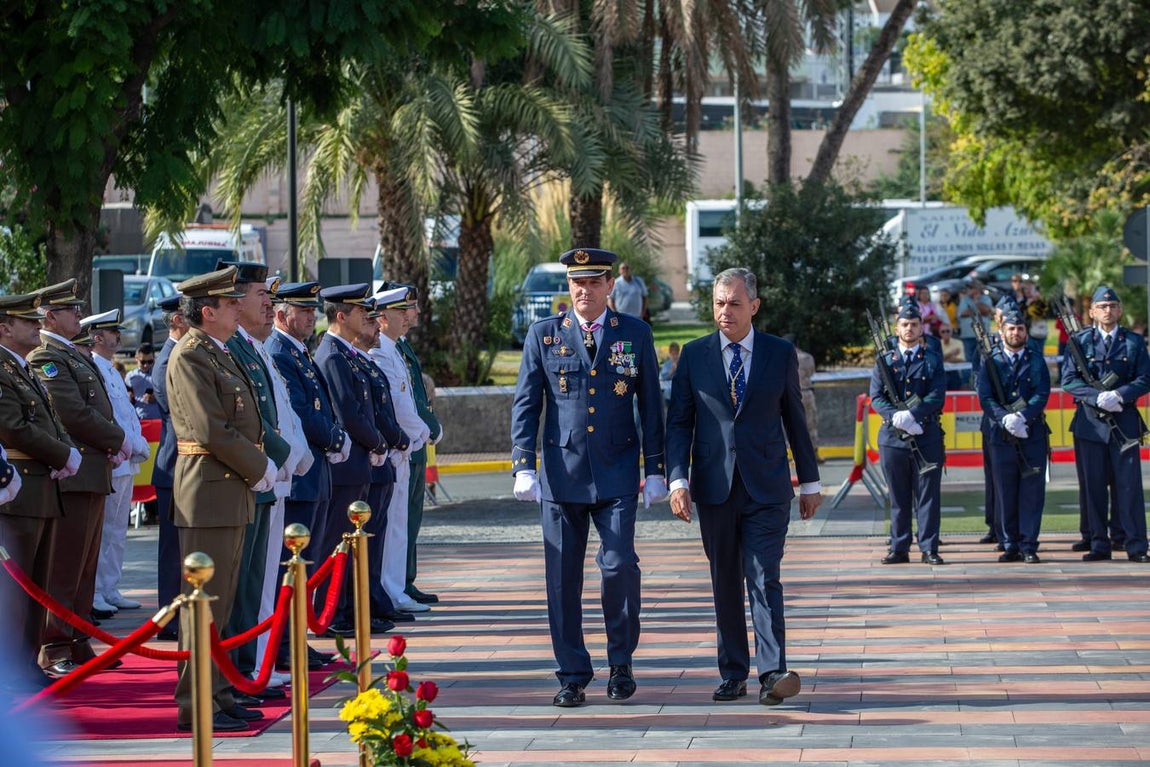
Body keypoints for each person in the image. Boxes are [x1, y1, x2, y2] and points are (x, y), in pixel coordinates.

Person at [510, 247, 667, 708]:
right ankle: (573, 673)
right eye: (577, 283)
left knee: (619, 566)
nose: (584, 290)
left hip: (617, 472)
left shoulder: (634, 333)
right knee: (561, 579)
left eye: (593, 282)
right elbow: (527, 403)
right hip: (562, 475)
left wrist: (655, 468)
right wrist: (523, 463)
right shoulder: (544, 335)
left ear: (609, 286)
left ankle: (621, 662)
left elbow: (651, 405)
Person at [665, 268, 820, 707]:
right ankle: (733, 672)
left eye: (734, 303)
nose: (724, 311)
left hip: (767, 488)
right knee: (725, 581)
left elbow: (794, 418)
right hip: (714, 488)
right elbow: (679, 422)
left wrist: (809, 482)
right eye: (718, 303)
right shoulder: (694, 356)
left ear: (754, 305)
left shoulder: (778, 353)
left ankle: (772, 673)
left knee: (764, 575)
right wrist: (678, 478)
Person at [166, 265, 275, 732]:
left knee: (223, 604)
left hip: (228, 488)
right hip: (209, 490)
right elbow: (212, 429)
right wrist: (260, 467)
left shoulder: (218, 352)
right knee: (203, 606)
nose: (238, 308)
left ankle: (221, 692)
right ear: (207, 312)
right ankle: (197, 704)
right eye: (230, 304)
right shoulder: (191, 356)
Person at [29, 278, 128, 676]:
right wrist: (117, 436)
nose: (78, 315)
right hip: (75, 472)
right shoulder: (45, 356)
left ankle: (76, 636)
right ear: (51, 316)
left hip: (93, 469)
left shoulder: (73, 353)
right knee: (65, 566)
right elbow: (71, 412)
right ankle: (54, 645)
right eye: (71, 310)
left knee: (85, 566)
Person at [266, 282, 350, 663]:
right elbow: (301, 412)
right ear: (283, 315)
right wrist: (334, 437)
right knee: (292, 565)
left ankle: (295, 638)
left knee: (309, 562)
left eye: (312, 310)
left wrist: (334, 437)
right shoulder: (280, 352)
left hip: (316, 471)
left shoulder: (297, 351)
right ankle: (283, 645)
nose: (311, 316)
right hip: (301, 476)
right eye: (303, 311)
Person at [218, 261, 292, 692]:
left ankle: (252, 664)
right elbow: (243, 423)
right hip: (248, 476)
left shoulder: (250, 348)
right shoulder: (235, 349)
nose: (269, 304)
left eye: (269, 296)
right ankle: (245, 668)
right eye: (260, 295)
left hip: (264, 475)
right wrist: (276, 458)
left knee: (255, 583)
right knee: (243, 586)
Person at [314, 284, 404, 634]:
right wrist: (379, 443)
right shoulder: (333, 355)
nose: (368, 318)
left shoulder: (347, 354)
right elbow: (348, 413)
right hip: (349, 462)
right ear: (341, 316)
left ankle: (350, 609)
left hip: (361, 461)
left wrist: (381, 443)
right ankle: (331, 614)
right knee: (336, 544)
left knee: (354, 545)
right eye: (360, 312)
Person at [0, 292, 77, 689]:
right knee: (17, 590)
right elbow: (13, 426)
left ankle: (28, 663)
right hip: (19, 491)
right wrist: (62, 451)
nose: (36, 326)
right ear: (4, 328)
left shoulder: (22, 368)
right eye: (26, 321)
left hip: (41, 486)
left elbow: (49, 419)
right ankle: (12, 671)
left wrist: (65, 450)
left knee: (37, 588)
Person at [1061, 286, 1150, 563]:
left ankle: (1136, 545)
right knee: (1094, 486)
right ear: (1092, 312)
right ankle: (1099, 544)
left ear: (1120, 310)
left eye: (1112, 306)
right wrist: (1097, 396)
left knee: (1129, 486)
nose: (1107, 311)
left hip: (1123, 423)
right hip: (1090, 424)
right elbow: (1069, 380)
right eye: (1102, 306)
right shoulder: (1079, 342)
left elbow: (1145, 378)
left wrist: (1120, 395)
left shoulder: (1134, 342)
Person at [368, 287, 431, 616]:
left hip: (404, 448)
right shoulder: (381, 351)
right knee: (391, 525)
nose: (408, 314)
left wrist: (420, 432)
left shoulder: (393, 350)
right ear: (382, 317)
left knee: (398, 524)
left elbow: (410, 398)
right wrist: (419, 433)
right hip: (395, 448)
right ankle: (392, 590)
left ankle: (396, 588)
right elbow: (398, 406)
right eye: (400, 310)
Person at [83, 310, 151, 616]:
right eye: (112, 332)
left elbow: (125, 412)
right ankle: (95, 590)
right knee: (104, 528)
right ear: (97, 336)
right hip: (113, 457)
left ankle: (109, 586)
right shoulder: (93, 367)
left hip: (125, 459)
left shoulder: (110, 369)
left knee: (117, 529)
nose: (117, 337)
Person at [870, 303, 947, 566]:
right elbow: (876, 397)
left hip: (926, 435)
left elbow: (937, 395)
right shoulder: (884, 361)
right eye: (905, 324)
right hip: (892, 438)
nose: (910, 328)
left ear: (921, 327)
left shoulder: (932, 360)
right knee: (898, 496)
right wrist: (895, 417)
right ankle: (899, 547)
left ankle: (929, 547)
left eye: (914, 324)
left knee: (927, 496)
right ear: (897, 328)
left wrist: (914, 415)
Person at [976, 309, 1049, 563]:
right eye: (1010, 328)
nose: (1015, 333)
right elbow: (985, 396)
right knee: (1005, 491)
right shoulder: (990, 360)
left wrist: (1023, 417)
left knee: (1031, 491)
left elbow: (1041, 393)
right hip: (1001, 434)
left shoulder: (1036, 360)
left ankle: (1028, 544)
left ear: (1025, 332)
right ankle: (1010, 544)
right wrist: (1004, 418)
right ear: (1002, 331)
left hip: (1032, 433)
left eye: (1019, 329)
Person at [396, 284, 443, 605]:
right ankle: (398, 581)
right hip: (404, 445)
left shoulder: (402, 347)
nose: (416, 313)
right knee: (401, 523)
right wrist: (427, 428)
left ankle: (406, 579)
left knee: (412, 519)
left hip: (416, 444)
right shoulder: (387, 349)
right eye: (410, 307)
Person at [152, 293, 186, 640]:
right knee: (172, 551)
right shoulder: (167, 361)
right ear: (176, 321)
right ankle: (168, 619)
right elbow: (179, 413)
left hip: (181, 467)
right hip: (174, 466)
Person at [957, 280, 993, 376]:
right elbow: (962, 313)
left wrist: (976, 301)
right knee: (968, 359)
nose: (970, 290)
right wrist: (977, 310)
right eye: (969, 288)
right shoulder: (964, 299)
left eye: (972, 288)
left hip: (982, 335)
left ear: (979, 289)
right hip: (967, 335)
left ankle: (983, 380)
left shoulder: (986, 299)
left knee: (983, 359)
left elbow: (986, 310)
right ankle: (967, 383)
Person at [125, 342, 162, 420]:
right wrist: (129, 397)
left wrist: (157, 397)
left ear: (154, 358)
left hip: (158, 419)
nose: (146, 365)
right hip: (138, 419)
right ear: (136, 358)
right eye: (143, 362)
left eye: (150, 362)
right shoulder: (130, 377)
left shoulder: (160, 374)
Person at [938, 325, 966, 391]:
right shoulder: (937, 343)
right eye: (943, 331)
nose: (946, 333)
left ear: (951, 332)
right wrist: (951, 353)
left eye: (948, 331)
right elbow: (938, 360)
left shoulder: (958, 342)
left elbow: (961, 360)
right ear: (940, 333)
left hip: (954, 373)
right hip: (941, 372)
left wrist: (944, 358)